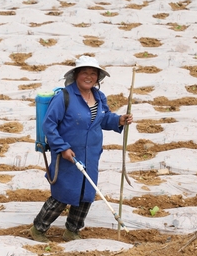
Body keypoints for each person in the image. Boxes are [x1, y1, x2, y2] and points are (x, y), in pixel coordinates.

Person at [30, 56, 133, 242]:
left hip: (91, 154)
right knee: (62, 194)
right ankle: (38, 229)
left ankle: (72, 230)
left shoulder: (99, 97)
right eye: (84, 72)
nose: (89, 77)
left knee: (87, 192)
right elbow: (49, 125)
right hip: (68, 154)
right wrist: (62, 148)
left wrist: (119, 120)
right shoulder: (64, 97)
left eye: (93, 73)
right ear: (76, 75)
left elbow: (103, 119)